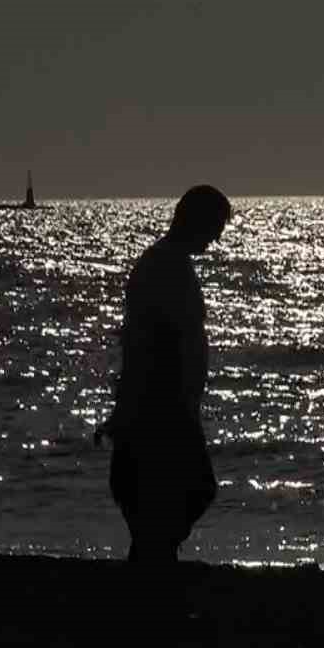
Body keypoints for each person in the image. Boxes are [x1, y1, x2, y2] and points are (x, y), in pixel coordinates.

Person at [95, 185, 231, 565]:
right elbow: (148, 342)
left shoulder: (167, 263)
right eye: (215, 227)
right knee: (193, 488)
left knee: (165, 492)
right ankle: (156, 556)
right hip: (163, 400)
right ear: (197, 221)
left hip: (167, 399)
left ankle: (155, 556)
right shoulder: (165, 266)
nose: (217, 238)